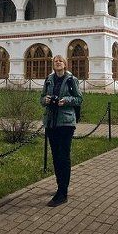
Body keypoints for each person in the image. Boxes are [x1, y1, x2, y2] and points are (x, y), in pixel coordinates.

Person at [40, 54, 83, 207]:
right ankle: (60, 186)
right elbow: (41, 98)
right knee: (56, 156)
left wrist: (66, 101)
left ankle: (62, 193)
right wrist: (45, 100)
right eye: (55, 61)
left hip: (66, 123)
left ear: (65, 65)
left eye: (60, 61)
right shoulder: (49, 79)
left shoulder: (72, 80)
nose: (57, 63)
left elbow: (79, 99)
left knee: (63, 156)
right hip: (51, 122)